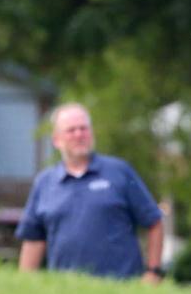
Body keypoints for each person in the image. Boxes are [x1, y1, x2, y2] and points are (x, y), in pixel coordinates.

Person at [15, 102, 165, 282]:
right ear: (56, 140)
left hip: (121, 288)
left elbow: (154, 221)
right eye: (71, 130)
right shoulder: (44, 183)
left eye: (83, 129)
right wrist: (25, 283)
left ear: (92, 133)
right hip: (65, 290)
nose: (79, 135)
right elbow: (33, 239)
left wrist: (153, 271)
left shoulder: (119, 172)